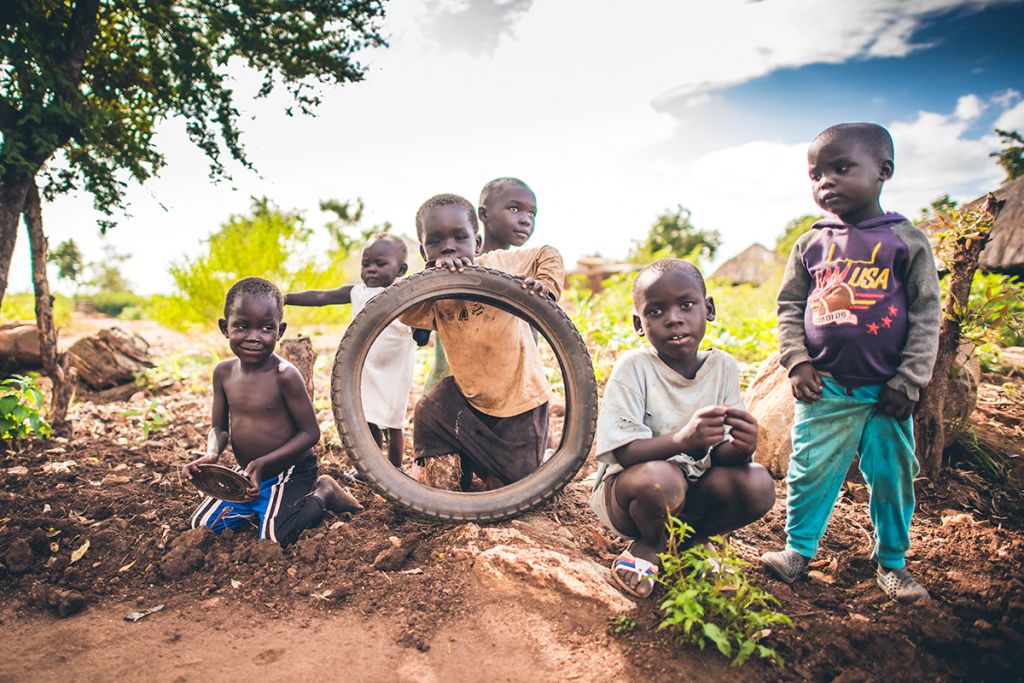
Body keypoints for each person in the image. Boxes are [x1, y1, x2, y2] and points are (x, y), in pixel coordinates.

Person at [759, 123, 941, 604]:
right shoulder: (811, 243)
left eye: (841, 169)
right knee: (810, 469)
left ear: (884, 171)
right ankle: (797, 551)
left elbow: (926, 315)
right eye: (816, 174)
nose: (826, 183)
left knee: (892, 474)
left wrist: (910, 380)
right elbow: (789, 307)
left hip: (887, 394)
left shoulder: (907, 241)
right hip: (828, 388)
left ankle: (893, 563)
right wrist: (797, 362)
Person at [590, 258, 775, 599]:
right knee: (662, 480)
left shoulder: (722, 367)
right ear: (639, 324)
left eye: (687, 305)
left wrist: (742, 447)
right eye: (656, 311)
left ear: (709, 309)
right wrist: (682, 440)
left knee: (758, 483)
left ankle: (695, 542)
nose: (674, 318)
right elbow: (624, 451)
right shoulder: (634, 368)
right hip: (632, 496)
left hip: (694, 494)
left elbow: (722, 457)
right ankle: (649, 546)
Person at [182, 277, 362, 547]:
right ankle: (261, 505)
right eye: (242, 326)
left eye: (266, 328)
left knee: (275, 536)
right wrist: (211, 454)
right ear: (224, 327)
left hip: (290, 470)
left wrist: (265, 463)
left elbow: (310, 433)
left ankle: (324, 493)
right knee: (203, 525)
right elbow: (219, 428)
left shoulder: (284, 375)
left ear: (280, 331)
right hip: (249, 471)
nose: (254, 336)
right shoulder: (223, 372)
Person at [401, 193, 563, 491]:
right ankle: (443, 486)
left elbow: (547, 254)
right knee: (430, 410)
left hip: (520, 401)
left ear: (476, 243)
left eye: (459, 237)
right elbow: (404, 309)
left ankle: (498, 480)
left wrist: (547, 289)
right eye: (435, 242)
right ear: (424, 252)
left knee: (515, 485)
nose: (448, 247)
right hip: (469, 399)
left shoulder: (498, 262)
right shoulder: (433, 290)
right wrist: (426, 280)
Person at [285, 233, 415, 469]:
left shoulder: (405, 295)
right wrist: (285, 298)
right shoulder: (357, 293)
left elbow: (423, 326)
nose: (370, 270)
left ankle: (395, 470)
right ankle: (370, 468)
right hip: (363, 370)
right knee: (368, 421)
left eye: (380, 264)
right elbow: (322, 296)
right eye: (366, 264)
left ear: (401, 269)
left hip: (394, 372)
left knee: (394, 423)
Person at [422, 177, 539, 393]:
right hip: (450, 387)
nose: (525, 220)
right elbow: (421, 332)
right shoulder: (453, 266)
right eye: (514, 209)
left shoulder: (522, 273)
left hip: (507, 390)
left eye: (532, 213)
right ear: (484, 214)